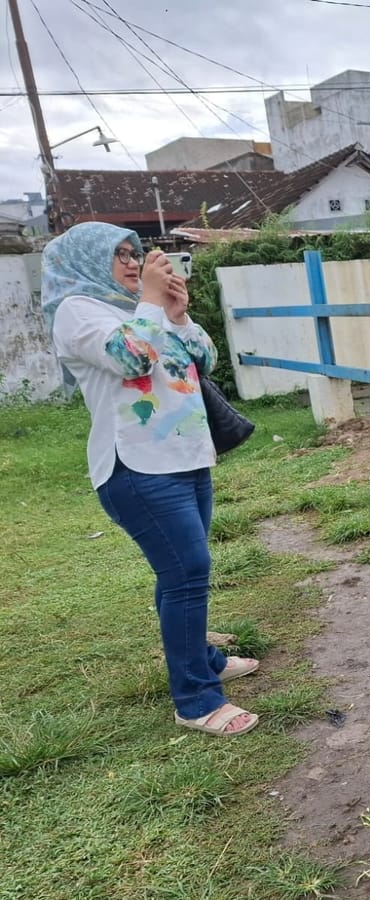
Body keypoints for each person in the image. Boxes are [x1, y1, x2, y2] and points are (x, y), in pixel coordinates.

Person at [42, 221, 259, 737]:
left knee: (179, 572)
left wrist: (178, 316)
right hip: (135, 467)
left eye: (134, 253)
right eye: (119, 254)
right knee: (188, 570)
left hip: (185, 459)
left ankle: (203, 660)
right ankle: (195, 700)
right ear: (87, 260)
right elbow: (131, 357)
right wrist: (151, 304)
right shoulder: (78, 310)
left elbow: (204, 362)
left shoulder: (139, 310)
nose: (132, 262)